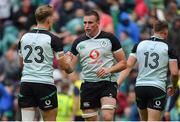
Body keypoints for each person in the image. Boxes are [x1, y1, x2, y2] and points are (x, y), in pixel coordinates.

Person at [65, 10, 127, 121]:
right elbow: (70, 70)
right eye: (85, 23)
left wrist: (109, 70)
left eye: (90, 22)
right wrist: (65, 61)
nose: (87, 26)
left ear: (98, 23)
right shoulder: (78, 42)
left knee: (107, 117)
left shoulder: (110, 38)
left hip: (107, 83)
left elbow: (123, 63)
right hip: (88, 85)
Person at [17, 5, 72, 121]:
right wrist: (69, 66)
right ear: (48, 19)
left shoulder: (24, 37)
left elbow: (20, 63)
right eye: (52, 17)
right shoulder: (54, 39)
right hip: (44, 84)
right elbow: (63, 67)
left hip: (26, 83)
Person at [117, 20, 179, 121]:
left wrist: (118, 83)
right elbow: (175, 73)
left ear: (153, 30)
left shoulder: (139, 45)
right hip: (157, 87)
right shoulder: (169, 48)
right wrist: (174, 86)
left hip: (140, 87)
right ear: (166, 32)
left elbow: (128, 66)